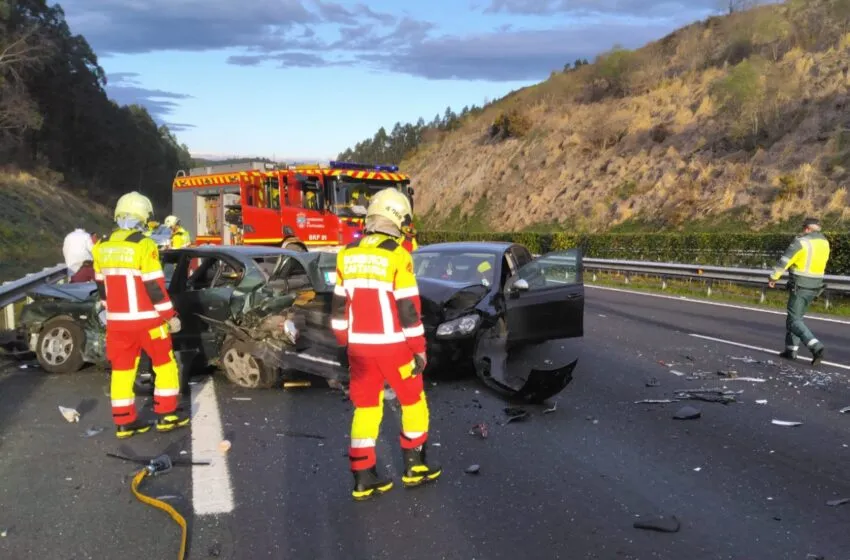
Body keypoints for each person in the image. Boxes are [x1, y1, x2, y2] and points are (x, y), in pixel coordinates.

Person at [331, 188, 441, 501]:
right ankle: (415, 466)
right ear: (395, 216)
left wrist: (344, 342)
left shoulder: (347, 254)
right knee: (413, 401)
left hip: (359, 350)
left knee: (365, 408)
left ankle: (363, 477)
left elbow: (339, 307)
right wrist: (419, 348)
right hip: (395, 348)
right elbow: (408, 309)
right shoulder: (397, 255)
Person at [92, 191, 189, 439]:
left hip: (117, 324)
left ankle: (124, 421)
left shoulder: (101, 247)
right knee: (165, 365)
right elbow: (154, 286)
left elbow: (101, 286)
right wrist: (170, 316)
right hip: (148, 321)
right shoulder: (143, 245)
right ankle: (167, 415)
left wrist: (109, 309)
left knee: (122, 371)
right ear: (143, 217)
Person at [768, 217, 830, 366]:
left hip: (800, 285)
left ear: (808, 229)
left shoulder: (801, 242)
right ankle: (791, 351)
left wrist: (773, 277)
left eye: (804, 228)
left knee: (794, 320)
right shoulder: (825, 243)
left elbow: (785, 261)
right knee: (796, 318)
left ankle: (816, 346)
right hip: (815, 286)